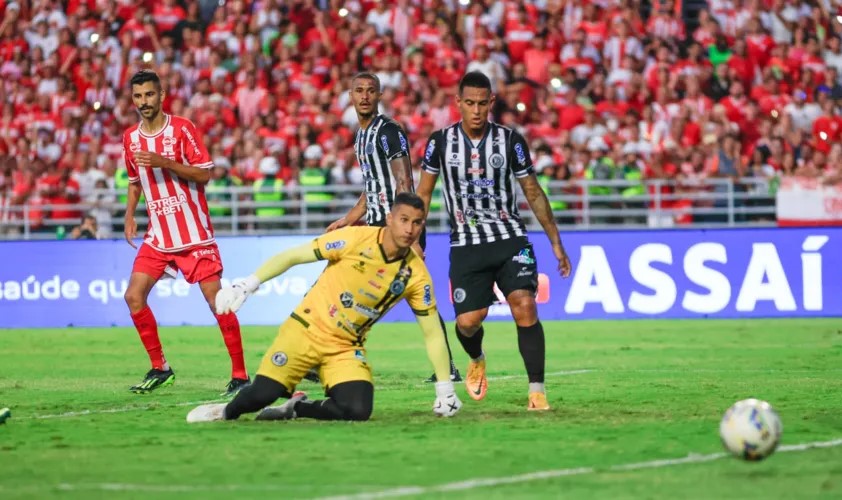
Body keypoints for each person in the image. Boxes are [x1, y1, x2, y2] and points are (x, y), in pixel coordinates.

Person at [186, 193, 462, 423]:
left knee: (358, 410)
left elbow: (432, 333)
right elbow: (294, 255)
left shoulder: (416, 275)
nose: (409, 229)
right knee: (262, 393)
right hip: (305, 330)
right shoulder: (355, 238)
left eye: (417, 223)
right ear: (390, 219)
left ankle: (296, 408)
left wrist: (445, 387)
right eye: (403, 220)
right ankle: (224, 412)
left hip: (345, 347)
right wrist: (246, 285)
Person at [416, 71, 573, 411]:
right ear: (458, 103)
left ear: (491, 103)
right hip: (466, 244)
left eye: (482, 103)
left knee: (525, 306)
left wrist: (555, 242)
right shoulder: (440, 142)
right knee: (468, 322)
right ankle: (477, 357)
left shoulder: (510, 141)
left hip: (510, 239)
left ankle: (537, 391)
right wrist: (417, 241)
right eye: (469, 103)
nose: (475, 110)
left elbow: (532, 190)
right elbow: (423, 195)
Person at [326, 72, 461, 383]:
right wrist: (348, 219)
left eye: (370, 91)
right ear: (350, 95)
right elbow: (373, 187)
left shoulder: (388, 132)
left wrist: (410, 234)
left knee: (412, 297)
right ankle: (333, 357)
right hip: (376, 226)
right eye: (358, 90)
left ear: (379, 96)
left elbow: (404, 183)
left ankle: (332, 358)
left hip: (397, 229)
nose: (364, 96)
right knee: (353, 289)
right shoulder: (361, 136)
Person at [121, 69, 249, 396]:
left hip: (194, 234)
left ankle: (240, 375)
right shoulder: (130, 139)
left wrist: (164, 162)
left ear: (161, 95)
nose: (144, 102)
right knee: (133, 297)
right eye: (138, 96)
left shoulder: (182, 129)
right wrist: (130, 215)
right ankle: (160, 368)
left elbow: (205, 174)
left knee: (217, 302)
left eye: (149, 95)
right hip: (159, 235)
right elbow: (135, 181)